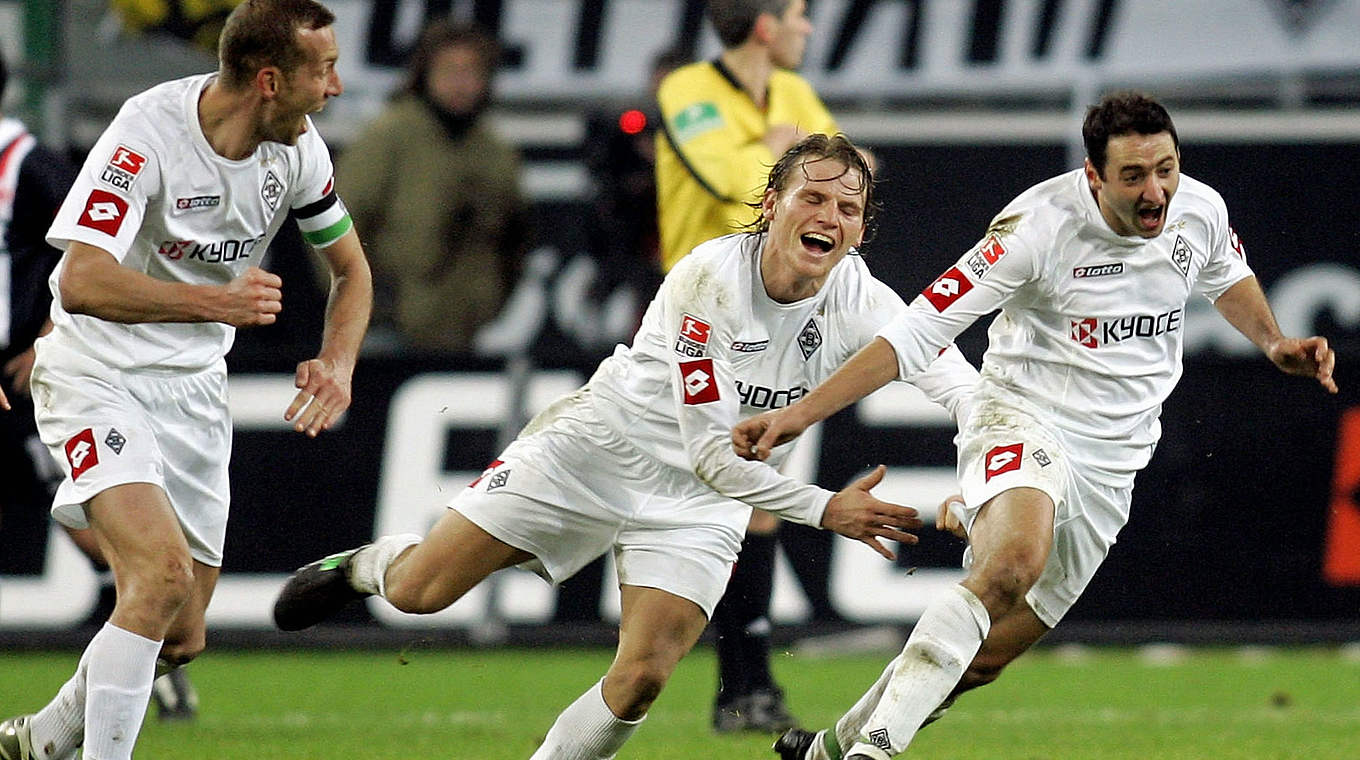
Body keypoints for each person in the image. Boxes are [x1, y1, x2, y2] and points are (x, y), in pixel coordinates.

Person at [272, 133, 978, 759]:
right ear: (771, 203)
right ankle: (366, 565)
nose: (828, 217)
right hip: (599, 450)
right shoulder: (708, 280)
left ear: (860, 231)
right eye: (812, 197)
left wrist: (991, 472)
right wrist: (827, 510)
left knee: (642, 678)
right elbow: (712, 451)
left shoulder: (861, 298)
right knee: (420, 593)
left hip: (701, 503)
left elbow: (957, 384)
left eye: (848, 210)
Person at [732, 93, 1338, 760]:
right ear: (1093, 175)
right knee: (1012, 564)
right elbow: (912, 335)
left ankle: (826, 749)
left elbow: (1229, 276)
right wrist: (798, 414)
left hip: (1114, 460)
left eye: (1165, 168)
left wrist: (1275, 341)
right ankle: (875, 751)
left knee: (982, 659)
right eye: (1133, 176)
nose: (1156, 190)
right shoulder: (1035, 228)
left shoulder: (1199, 209)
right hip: (1023, 415)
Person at [0, 2, 372, 759]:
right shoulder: (147, 135)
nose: (335, 85)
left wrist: (338, 361)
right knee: (161, 576)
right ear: (270, 79)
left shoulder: (299, 151)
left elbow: (352, 272)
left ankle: (44, 738)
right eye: (322, 69)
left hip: (194, 388)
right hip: (96, 370)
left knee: (183, 630)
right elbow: (81, 281)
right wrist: (217, 302)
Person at [654, 0, 855, 732]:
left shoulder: (794, 97)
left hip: (774, 325)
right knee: (730, 505)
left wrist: (787, 156)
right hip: (696, 324)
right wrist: (785, 160)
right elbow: (736, 183)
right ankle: (743, 688)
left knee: (758, 506)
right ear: (765, 25)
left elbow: (848, 175)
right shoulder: (687, 92)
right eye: (799, 15)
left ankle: (745, 691)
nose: (808, 29)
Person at [0, 49, 204, 724]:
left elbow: (88, 252)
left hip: (27, 374)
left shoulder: (25, 164)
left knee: (102, 530)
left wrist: (45, 338)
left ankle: (145, 649)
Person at [337, 19, 526, 355]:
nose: (461, 83)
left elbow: (514, 240)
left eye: (472, 72)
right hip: (386, 332)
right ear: (424, 73)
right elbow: (334, 222)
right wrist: (366, 300)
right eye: (450, 70)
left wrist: (494, 303)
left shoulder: (495, 151)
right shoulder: (390, 135)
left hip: (471, 334)